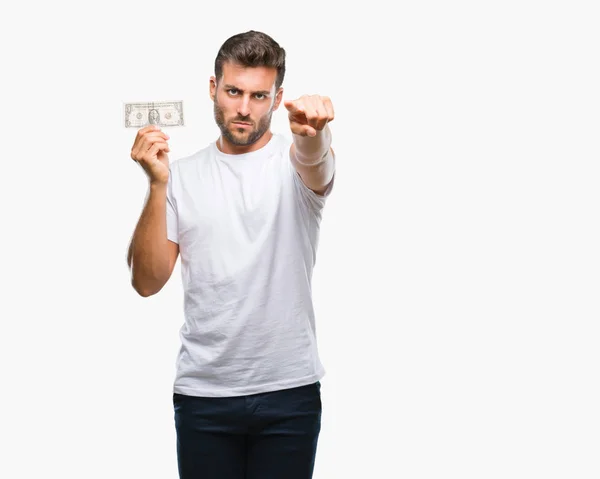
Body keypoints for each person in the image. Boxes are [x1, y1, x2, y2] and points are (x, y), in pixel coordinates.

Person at [127, 30, 336, 479]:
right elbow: (147, 282)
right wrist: (157, 184)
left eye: (259, 95)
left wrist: (314, 134)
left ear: (278, 99)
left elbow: (316, 161)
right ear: (213, 89)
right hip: (204, 395)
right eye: (234, 91)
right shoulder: (180, 176)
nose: (244, 108)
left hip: (289, 392)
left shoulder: (295, 163)